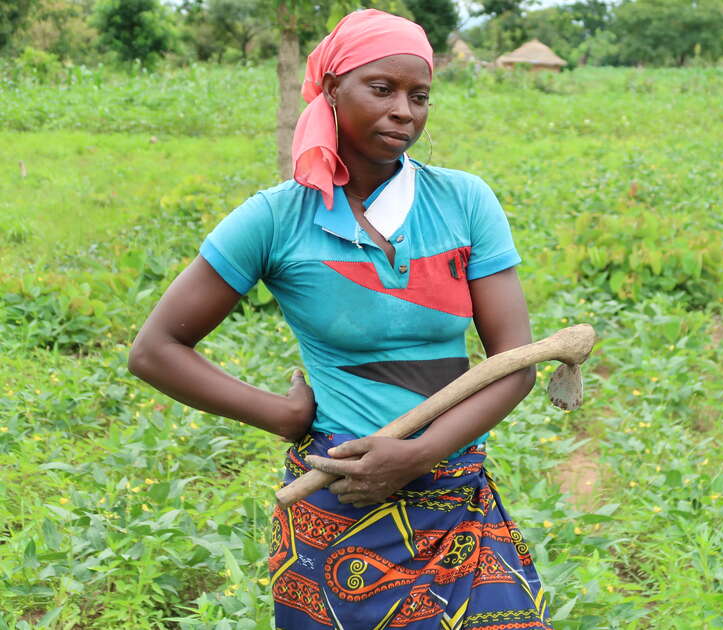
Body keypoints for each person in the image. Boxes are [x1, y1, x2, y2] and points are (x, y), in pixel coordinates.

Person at [129, 9, 552, 629]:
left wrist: (420, 454)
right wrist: (283, 415)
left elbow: (515, 365)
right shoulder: (278, 218)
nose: (404, 111)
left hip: (455, 501)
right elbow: (156, 349)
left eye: (419, 96)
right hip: (339, 502)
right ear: (331, 90)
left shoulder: (463, 201)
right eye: (382, 89)